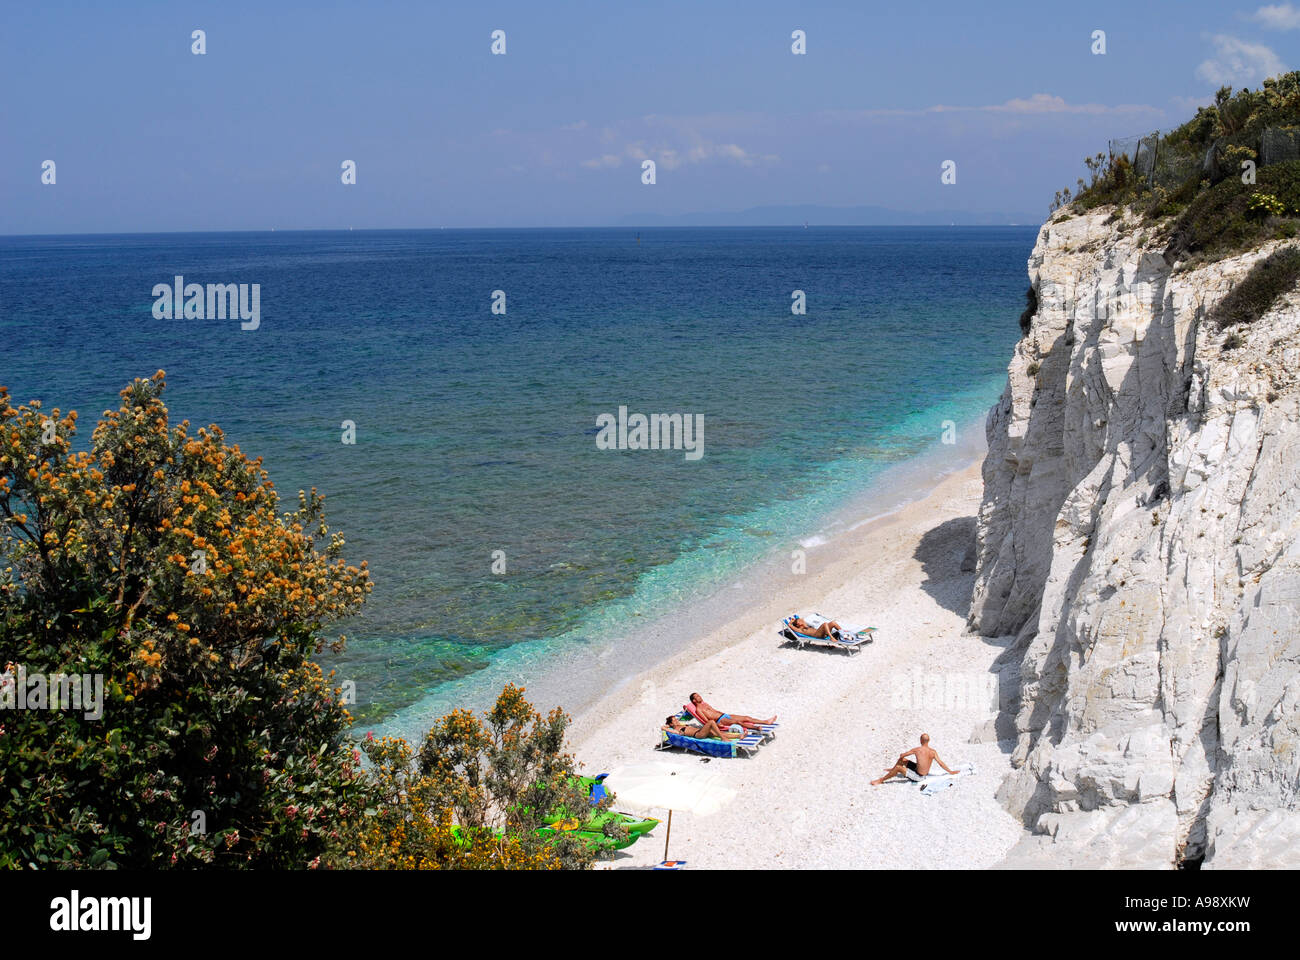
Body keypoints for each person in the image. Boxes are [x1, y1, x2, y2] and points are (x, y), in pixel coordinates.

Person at [871, 733, 960, 785]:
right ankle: (892, 770)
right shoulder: (933, 751)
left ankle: (881, 780)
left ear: (921, 740)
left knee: (899, 767)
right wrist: (950, 772)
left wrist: (902, 754)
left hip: (919, 777)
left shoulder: (917, 750)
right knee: (902, 761)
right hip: (919, 770)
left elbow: (902, 755)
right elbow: (941, 763)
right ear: (928, 741)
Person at [688, 692, 776, 730]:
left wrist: (725, 714)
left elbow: (715, 711)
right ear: (694, 701)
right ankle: (756, 728)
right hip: (720, 720)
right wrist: (717, 725)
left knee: (746, 717)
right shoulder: (699, 710)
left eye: (699, 695)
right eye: (698, 697)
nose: (700, 697)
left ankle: (765, 721)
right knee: (738, 722)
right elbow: (707, 721)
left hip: (724, 715)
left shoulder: (705, 704)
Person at [663, 715, 746, 741]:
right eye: (674, 720)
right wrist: (668, 726)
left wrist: (672, 723)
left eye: (676, 719)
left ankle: (739, 736)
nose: (677, 721)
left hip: (701, 731)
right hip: (698, 734)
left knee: (720, 733)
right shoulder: (676, 729)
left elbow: (684, 718)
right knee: (711, 722)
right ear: (671, 723)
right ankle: (723, 738)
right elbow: (664, 727)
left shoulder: (681, 724)